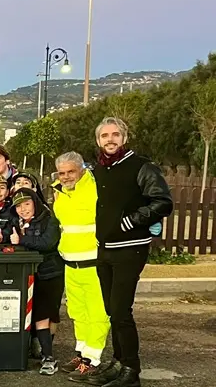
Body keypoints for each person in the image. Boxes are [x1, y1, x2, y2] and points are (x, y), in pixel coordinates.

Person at [87, 117, 173, 387]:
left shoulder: (141, 166)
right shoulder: (99, 170)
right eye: (104, 136)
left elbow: (162, 202)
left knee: (122, 311)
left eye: (115, 134)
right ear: (98, 141)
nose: (109, 139)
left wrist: (132, 221)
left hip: (130, 248)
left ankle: (131, 371)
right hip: (105, 249)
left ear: (124, 138)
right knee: (112, 310)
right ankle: (118, 362)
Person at [51, 151, 110, 380]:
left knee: (97, 314)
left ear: (82, 169)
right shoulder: (59, 192)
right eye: (62, 172)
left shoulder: (96, 188)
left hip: (94, 263)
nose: (66, 177)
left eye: (71, 172)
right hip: (70, 263)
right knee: (77, 313)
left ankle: (92, 360)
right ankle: (81, 353)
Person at [8, 188, 65, 375]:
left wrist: (22, 239)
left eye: (27, 204)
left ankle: (46, 350)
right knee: (41, 315)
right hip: (26, 274)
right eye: (18, 206)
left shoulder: (50, 219)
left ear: (35, 202)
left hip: (50, 273)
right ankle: (47, 355)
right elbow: (9, 240)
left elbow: (47, 243)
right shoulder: (15, 222)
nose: (23, 209)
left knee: (51, 314)